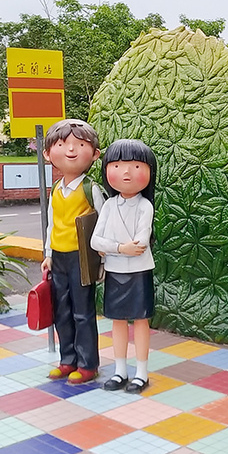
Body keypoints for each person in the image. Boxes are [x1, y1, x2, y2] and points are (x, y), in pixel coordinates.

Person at [40, 119, 105, 384]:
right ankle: (67, 360)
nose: (70, 150)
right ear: (48, 153)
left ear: (95, 154)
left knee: (83, 312)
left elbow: (103, 224)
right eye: (62, 144)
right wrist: (47, 253)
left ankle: (88, 364)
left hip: (82, 258)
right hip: (59, 258)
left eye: (80, 144)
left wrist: (102, 260)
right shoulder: (56, 189)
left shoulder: (92, 190)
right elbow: (51, 223)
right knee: (62, 311)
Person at [90, 139, 157, 394]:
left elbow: (141, 241)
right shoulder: (108, 205)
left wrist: (113, 246)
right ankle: (120, 370)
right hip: (115, 273)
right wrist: (120, 248)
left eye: (136, 166)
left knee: (141, 321)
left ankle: (141, 372)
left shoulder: (144, 206)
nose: (126, 173)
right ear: (107, 169)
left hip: (139, 272)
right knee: (117, 321)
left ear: (150, 171)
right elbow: (95, 240)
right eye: (117, 165)